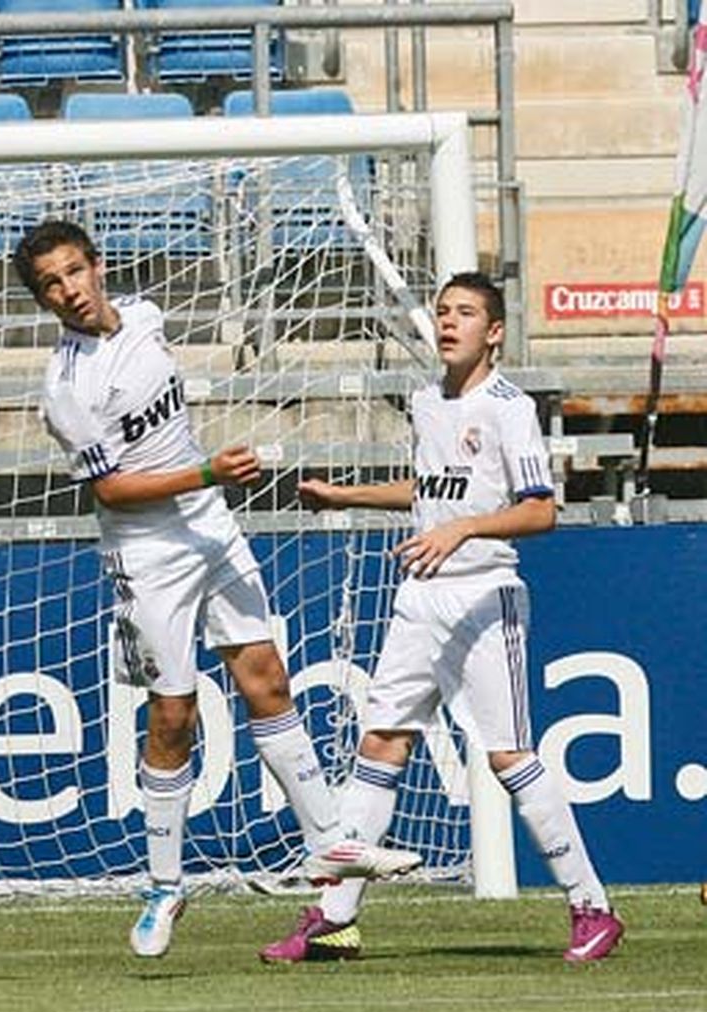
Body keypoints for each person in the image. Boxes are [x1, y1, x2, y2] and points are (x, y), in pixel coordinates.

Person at [13, 220, 422, 960]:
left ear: (98, 268)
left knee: (267, 679)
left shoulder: (144, 317)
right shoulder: (66, 389)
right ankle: (165, 884)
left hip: (211, 527)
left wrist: (207, 486)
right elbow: (112, 490)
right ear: (42, 300)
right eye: (51, 284)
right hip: (147, 551)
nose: (69, 290)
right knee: (174, 713)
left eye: (75, 271)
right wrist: (207, 472)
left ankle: (331, 845)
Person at [262, 272, 624, 965]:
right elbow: (430, 492)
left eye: (465, 313)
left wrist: (461, 532)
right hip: (420, 598)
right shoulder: (427, 403)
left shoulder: (507, 408)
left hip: (484, 595)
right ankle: (336, 919)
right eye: (442, 312)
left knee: (508, 755)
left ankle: (592, 907)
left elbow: (540, 509)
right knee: (382, 743)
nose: (449, 322)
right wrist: (345, 496)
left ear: (494, 332)